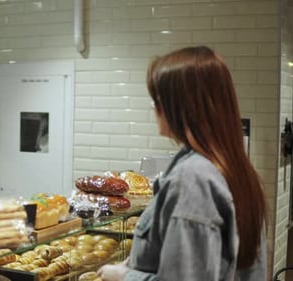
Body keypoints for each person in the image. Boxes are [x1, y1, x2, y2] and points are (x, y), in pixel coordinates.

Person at [98, 46, 267, 280]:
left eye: (157, 99)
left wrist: (123, 276)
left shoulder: (192, 179)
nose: (154, 108)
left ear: (179, 107)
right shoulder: (238, 171)